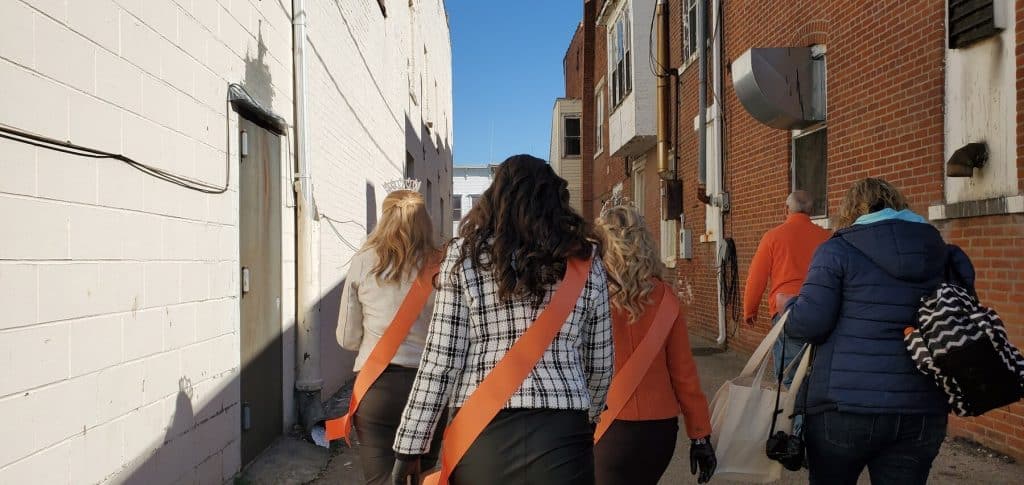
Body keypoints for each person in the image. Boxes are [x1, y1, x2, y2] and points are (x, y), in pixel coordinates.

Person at [391, 155, 614, 485]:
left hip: (481, 430)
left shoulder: (464, 257)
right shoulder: (585, 261)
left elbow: (440, 361)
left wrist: (410, 448)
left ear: (494, 200)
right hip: (563, 432)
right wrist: (588, 417)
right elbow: (601, 365)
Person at [784, 178, 976, 485]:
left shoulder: (837, 250)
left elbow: (808, 325)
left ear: (851, 209)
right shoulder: (941, 251)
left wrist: (791, 306)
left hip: (843, 406)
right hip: (922, 407)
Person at [592, 202, 717, 485]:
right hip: (659, 431)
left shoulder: (590, 295)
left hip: (606, 428)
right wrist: (700, 435)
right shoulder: (665, 297)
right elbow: (684, 375)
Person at [336, 187, 444, 485]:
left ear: (384, 218)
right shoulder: (442, 263)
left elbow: (346, 337)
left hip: (377, 385)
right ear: (426, 222)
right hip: (430, 387)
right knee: (424, 478)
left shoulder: (363, 261)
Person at [743, 190, 830, 382]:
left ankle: (792, 411)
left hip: (786, 312)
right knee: (817, 373)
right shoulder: (827, 238)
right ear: (811, 211)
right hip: (820, 310)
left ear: (787, 209)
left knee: (788, 376)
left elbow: (756, 277)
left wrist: (750, 310)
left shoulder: (773, 237)